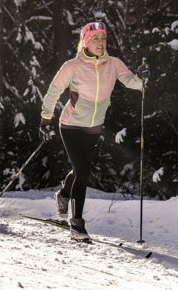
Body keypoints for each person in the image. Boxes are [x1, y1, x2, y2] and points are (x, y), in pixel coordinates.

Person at [39, 22, 150, 241]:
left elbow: (133, 83)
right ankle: (77, 224)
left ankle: (63, 196)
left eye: (104, 38)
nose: (101, 42)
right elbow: (53, 92)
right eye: (95, 38)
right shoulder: (72, 66)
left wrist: (141, 77)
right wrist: (45, 120)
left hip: (93, 128)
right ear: (85, 41)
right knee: (83, 170)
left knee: (80, 169)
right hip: (71, 125)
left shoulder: (113, 63)